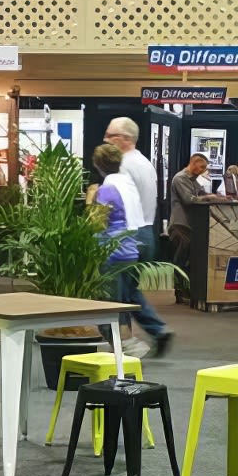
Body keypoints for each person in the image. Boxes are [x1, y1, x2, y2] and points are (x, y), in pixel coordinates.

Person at [91, 144, 172, 357]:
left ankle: (127, 346)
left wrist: (91, 198)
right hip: (130, 250)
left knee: (107, 304)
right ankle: (157, 330)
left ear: (98, 165)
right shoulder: (128, 184)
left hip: (111, 252)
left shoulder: (106, 189)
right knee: (130, 296)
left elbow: (97, 223)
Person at [104, 117, 158, 260]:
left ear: (126, 138)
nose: (105, 140)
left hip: (126, 236)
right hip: (147, 232)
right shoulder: (145, 163)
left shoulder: (120, 166)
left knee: (120, 281)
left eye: (110, 136)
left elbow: (113, 206)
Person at [169, 153, 211, 302]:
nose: (203, 170)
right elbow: (188, 199)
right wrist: (207, 197)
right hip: (180, 225)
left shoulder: (193, 181)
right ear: (194, 163)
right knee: (181, 259)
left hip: (189, 226)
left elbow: (202, 194)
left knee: (188, 258)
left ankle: (187, 290)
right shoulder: (180, 178)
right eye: (202, 167)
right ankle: (179, 291)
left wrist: (213, 196)